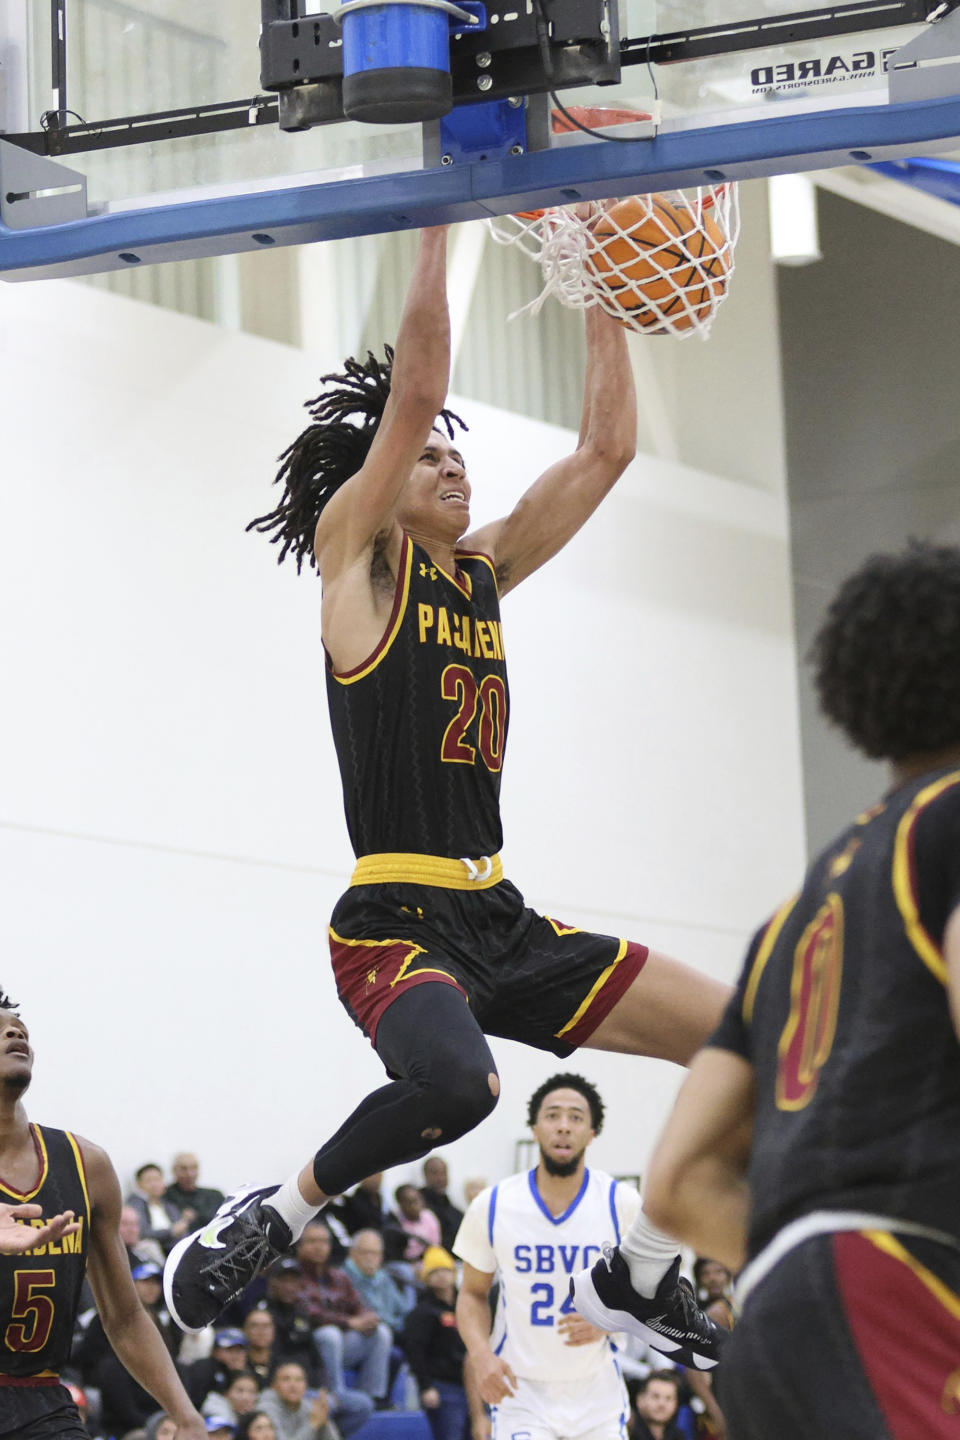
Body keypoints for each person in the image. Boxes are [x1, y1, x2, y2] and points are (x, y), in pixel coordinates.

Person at [164, 226, 729, 1371]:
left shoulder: (483, 570)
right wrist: (446, 217)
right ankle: (280, 1211)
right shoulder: (356, 562)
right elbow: (416, 389)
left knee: (745, 1037)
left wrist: (598, 274)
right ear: (371, 478)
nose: (451, 462)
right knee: (465, 1086)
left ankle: (651, 1268)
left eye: (455, 455)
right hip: (394, 921)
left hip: (500, 917)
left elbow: (606, 450)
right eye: (429, 458)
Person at [638, 540, 960, 1439]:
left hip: (776, 1316)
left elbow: (677, 1181)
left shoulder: (790, 921)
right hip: (903, 1283)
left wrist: (819, 1250)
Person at [0, 994, 205, 1440]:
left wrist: (185, 1415)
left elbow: (125, 1315)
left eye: (19, 1028)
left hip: (41, 1401)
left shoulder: (85, 1164)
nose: (14, 1032)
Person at [456, 1074, 639, 1440]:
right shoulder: (493, 1204)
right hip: (520, 1390)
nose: (563, 1127)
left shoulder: (622, 1204)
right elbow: (472, 1294)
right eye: (553, 1115)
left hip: (595, 1392)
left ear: (591, 1133)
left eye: (576, 1117)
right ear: (535, 1128)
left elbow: (660, 1292)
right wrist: (481, 1355)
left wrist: (614, 1318)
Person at [294, 1220, 389, 1428]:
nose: (319, 1247)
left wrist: (368, 1318)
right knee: (329, 1334)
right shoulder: (292, 1274)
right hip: (309, 1347)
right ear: (300, 1246)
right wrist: (349, 1322)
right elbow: (308, 1313)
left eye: (324, 1242)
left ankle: (371, 1397)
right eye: (312, 1241)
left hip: (339, 1347)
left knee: (381, 1332)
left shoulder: (339, 1277)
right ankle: (336, 1395)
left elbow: (360, 1305)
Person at [402, 1247, 468, 1440]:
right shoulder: (422, 1312)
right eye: (434, 1272)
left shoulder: (467, 1306)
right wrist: (426, 1386)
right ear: (426, 1278)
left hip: (470, 1384)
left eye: (445, 1270)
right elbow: (415, 1351)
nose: (441, 1276)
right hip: (443, 1386)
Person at [257, 1361, 340, 1440]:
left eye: (298, 1380)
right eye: (286, 1379)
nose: (293, 1385)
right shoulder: (265, 1410)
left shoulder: (310, 1408)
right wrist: (313, 1425)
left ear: (305, 1387)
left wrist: (324, 1421)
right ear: (274, 1386)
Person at [165, 1153, 225, 1230]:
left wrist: (196, 1216)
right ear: (174, 1170)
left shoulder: (214, 1196)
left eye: (193, 1168)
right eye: (184, 1169)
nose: (189, 1174)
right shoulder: (166, 1196)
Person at [420, 1156, 465, 1254]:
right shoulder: (418, 1205)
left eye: (444, 1173)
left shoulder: (455, 1211)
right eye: (435, 1173)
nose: (440, 1178)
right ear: (425, 1175)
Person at [630, 1372, 685, 1440]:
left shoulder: (678, 1436)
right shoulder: (625, 1432)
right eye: (655, 1397)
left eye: (668, 1398)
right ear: (640, 1399)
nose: (661, 1404)